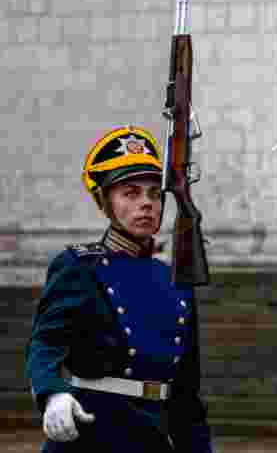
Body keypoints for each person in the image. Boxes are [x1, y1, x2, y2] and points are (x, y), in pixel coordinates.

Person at [25, 126, 213, 452]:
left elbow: (185, 395)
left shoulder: (174, 280)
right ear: (104, 202)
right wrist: (53, 392)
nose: (146, 204)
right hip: (95, 432)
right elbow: (45, 343)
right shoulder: (80, 267)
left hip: (155, 436)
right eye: (131, 193)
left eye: (155, 194)